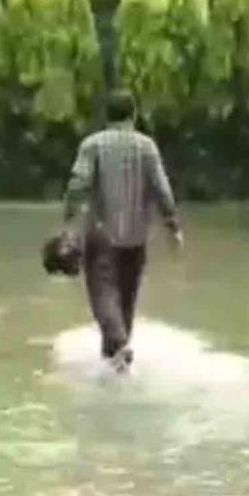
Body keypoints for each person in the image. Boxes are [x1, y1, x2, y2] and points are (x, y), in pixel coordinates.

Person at [62, 90, 183, 373]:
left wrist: (68, 217)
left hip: (101, 235)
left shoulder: (92, 145)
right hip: (136, 237)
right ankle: (117, 362)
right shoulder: (147, 147)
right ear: (134, 114)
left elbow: (78, 183)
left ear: (107, 116)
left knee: (103, 294)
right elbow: (162, 189)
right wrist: (173, 225)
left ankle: (117, 346)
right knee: (126, 299)